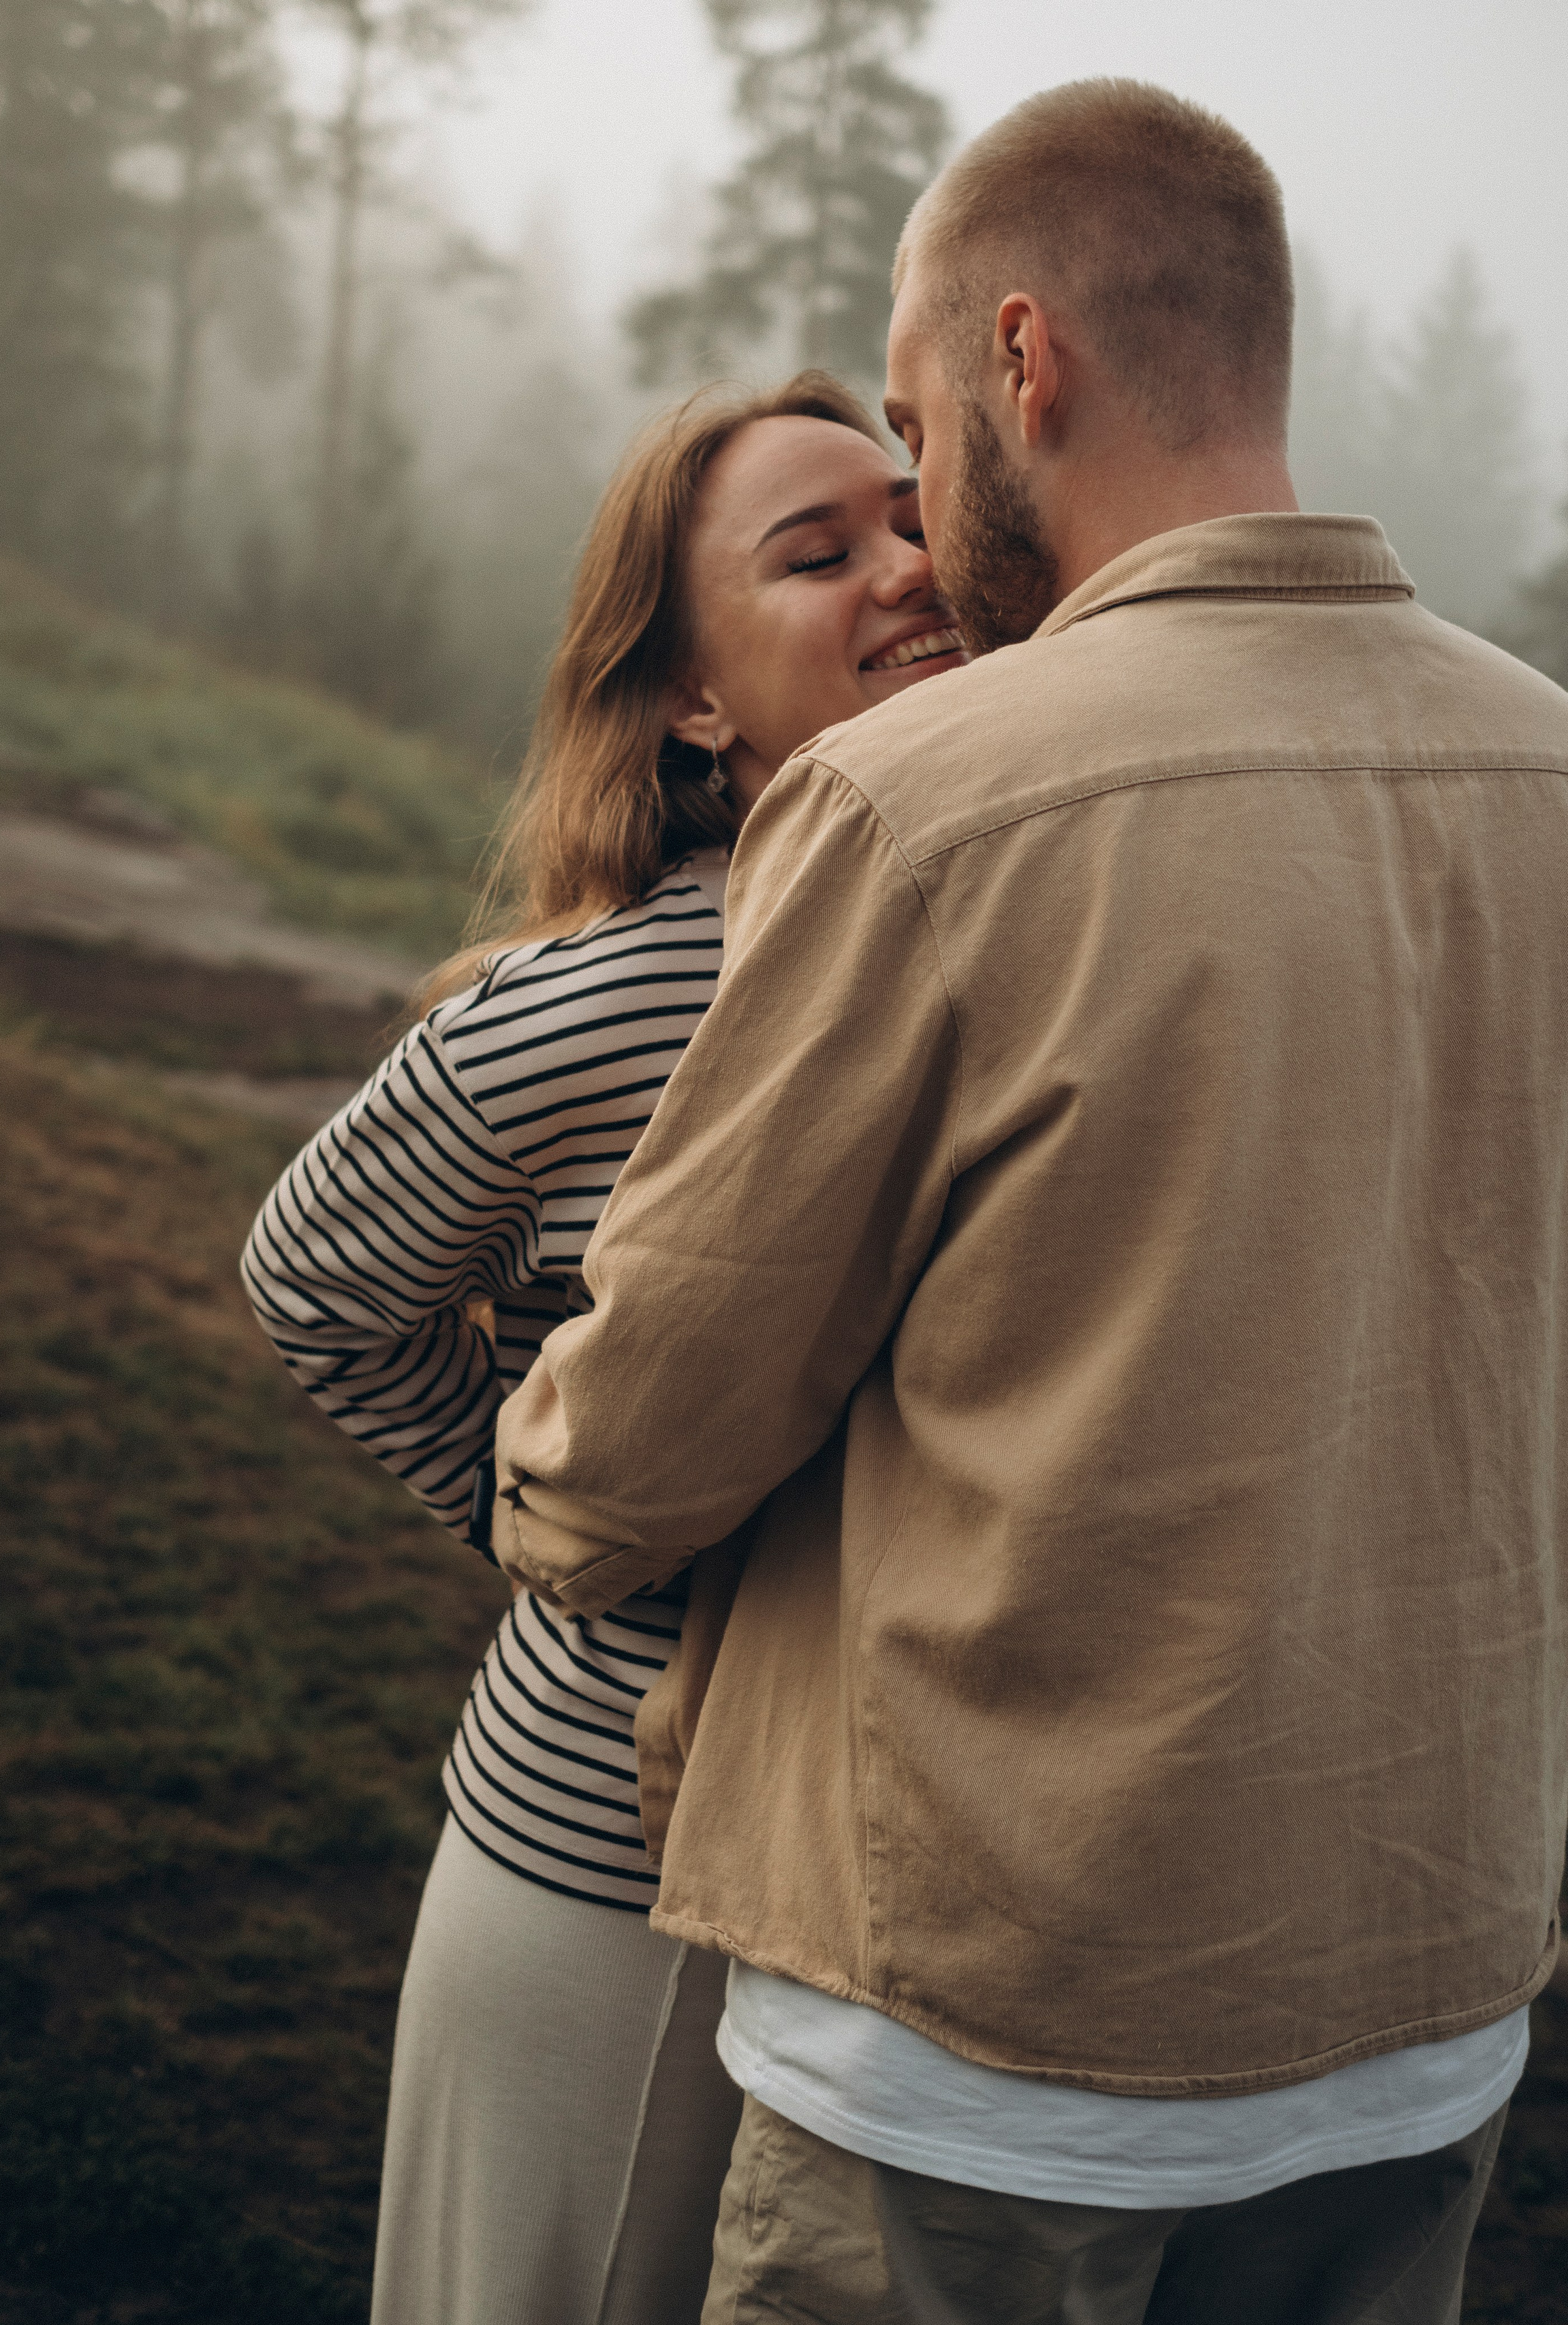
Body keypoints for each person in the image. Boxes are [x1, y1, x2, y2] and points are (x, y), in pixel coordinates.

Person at [488, 79, 1568, 2325]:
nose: (914, 498)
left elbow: (658, 1422)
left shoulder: (924, 803)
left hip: (986, 2048)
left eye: (912, 410)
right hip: (1426, 2003)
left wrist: (537, 1479)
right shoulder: (1547, 772)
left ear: (1021, 363)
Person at [240, 371, 967, 2325]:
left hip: (918, 1921)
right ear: (696, 706)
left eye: (915, 517)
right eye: (817, 553)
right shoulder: (603, 1003)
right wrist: (551, 1526)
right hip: (608, 1879)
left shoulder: (1047, 923)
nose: (903, 567)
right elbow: (318, 1282)